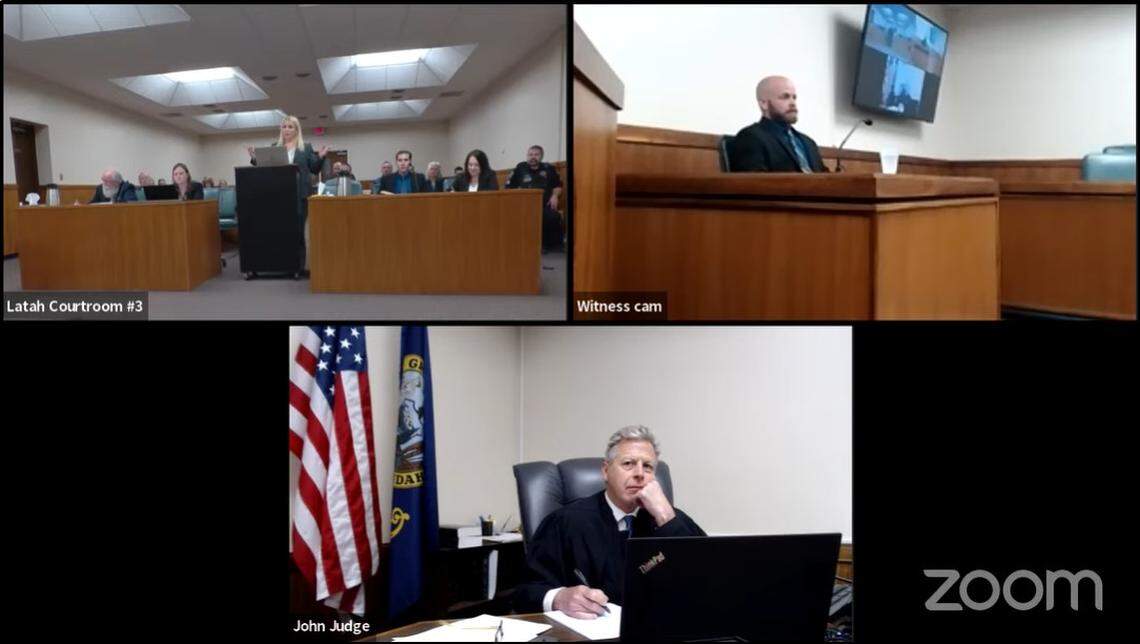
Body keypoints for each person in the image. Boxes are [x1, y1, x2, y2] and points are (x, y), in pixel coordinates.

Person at [513, 425, 705, 617]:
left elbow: (707, 577)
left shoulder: (670, 518)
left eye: (647, 466)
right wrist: (559, 597)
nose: (639, 473)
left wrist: (666, 516)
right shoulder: (565, 521)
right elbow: (525, 593)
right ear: (606, 471)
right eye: (628, 463)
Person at [246, 114, 329, 274]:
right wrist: (255, 159)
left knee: (297, 233)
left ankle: (298, 267)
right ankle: (283, 264)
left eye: (290, 127)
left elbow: (314, 168)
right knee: (281, 231)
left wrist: (322, 157)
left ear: (297, 130)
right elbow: (266, 169)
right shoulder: (274, 147)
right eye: (284, 126)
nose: (287, 129)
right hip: (279, 196)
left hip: (300, 196)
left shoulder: (306, 147)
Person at [729, 75, 829, 173]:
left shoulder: (808, 142)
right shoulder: (751, 137)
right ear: (764, 104)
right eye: (785, 97)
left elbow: (826, 178)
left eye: (794, 97)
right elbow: (755, 184)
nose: (793, 103)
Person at [506, 144, 564, 250]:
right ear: (527, 156)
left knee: (553, 216)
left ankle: (551, 245)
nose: (533, 157)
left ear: (541, 156)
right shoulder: (520, 168)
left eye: (536, 154)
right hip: (523, 205)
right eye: (530, 154)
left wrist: (555, 196)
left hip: (544, 205)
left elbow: (558, 186)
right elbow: (509, 186)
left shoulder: (549, 169)